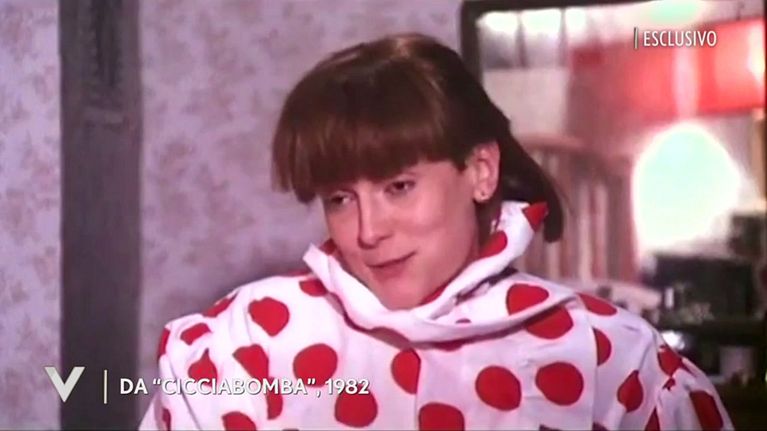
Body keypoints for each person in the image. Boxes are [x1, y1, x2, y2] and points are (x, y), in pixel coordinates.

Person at [139, 33, 732, 430]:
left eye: (399, 186)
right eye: (341, 199)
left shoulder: (614, 362)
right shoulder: (244, 348)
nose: (368, 231)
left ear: (480, 172)